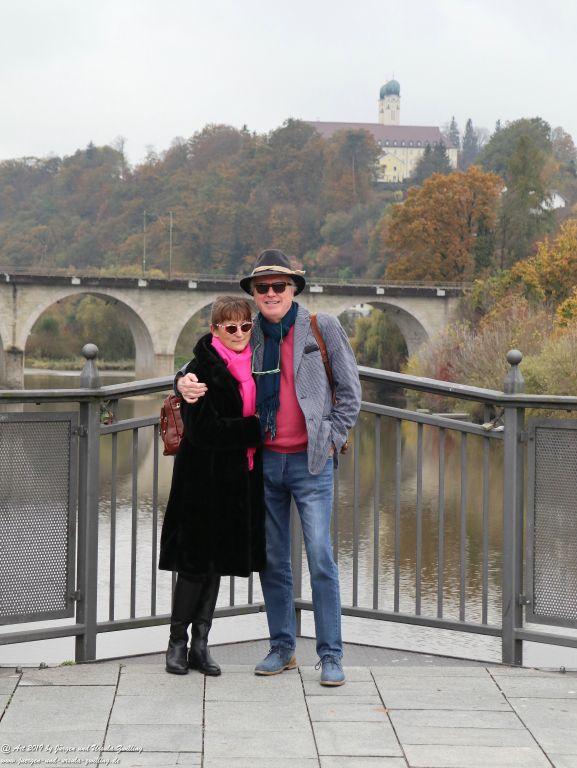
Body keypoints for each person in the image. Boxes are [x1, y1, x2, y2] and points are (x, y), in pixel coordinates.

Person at [176, 249, 361, 686]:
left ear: (294, 288)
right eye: (263, 287)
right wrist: (180, 380)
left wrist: (331, 439)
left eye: (279, 285)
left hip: (311, 462)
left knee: (320, 557)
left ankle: (330, 655)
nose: (271, 293)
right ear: (254, 294)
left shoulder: (321, 327)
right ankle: (282, 647)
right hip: (264, 463)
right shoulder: (249, 330)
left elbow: (351, 393)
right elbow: (204, 359)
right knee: (273, 560)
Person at [159, 295, 265, 676]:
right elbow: (204, 431)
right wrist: (257, 429)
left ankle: (200, 645)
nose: (239, 333)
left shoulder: (258, 363)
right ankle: (176, 643)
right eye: (230, 327)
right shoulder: (200, 369)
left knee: (216, 564)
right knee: (194, 565)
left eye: (245, 326)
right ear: (215, 329)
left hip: (237, 482)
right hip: (201, 482)